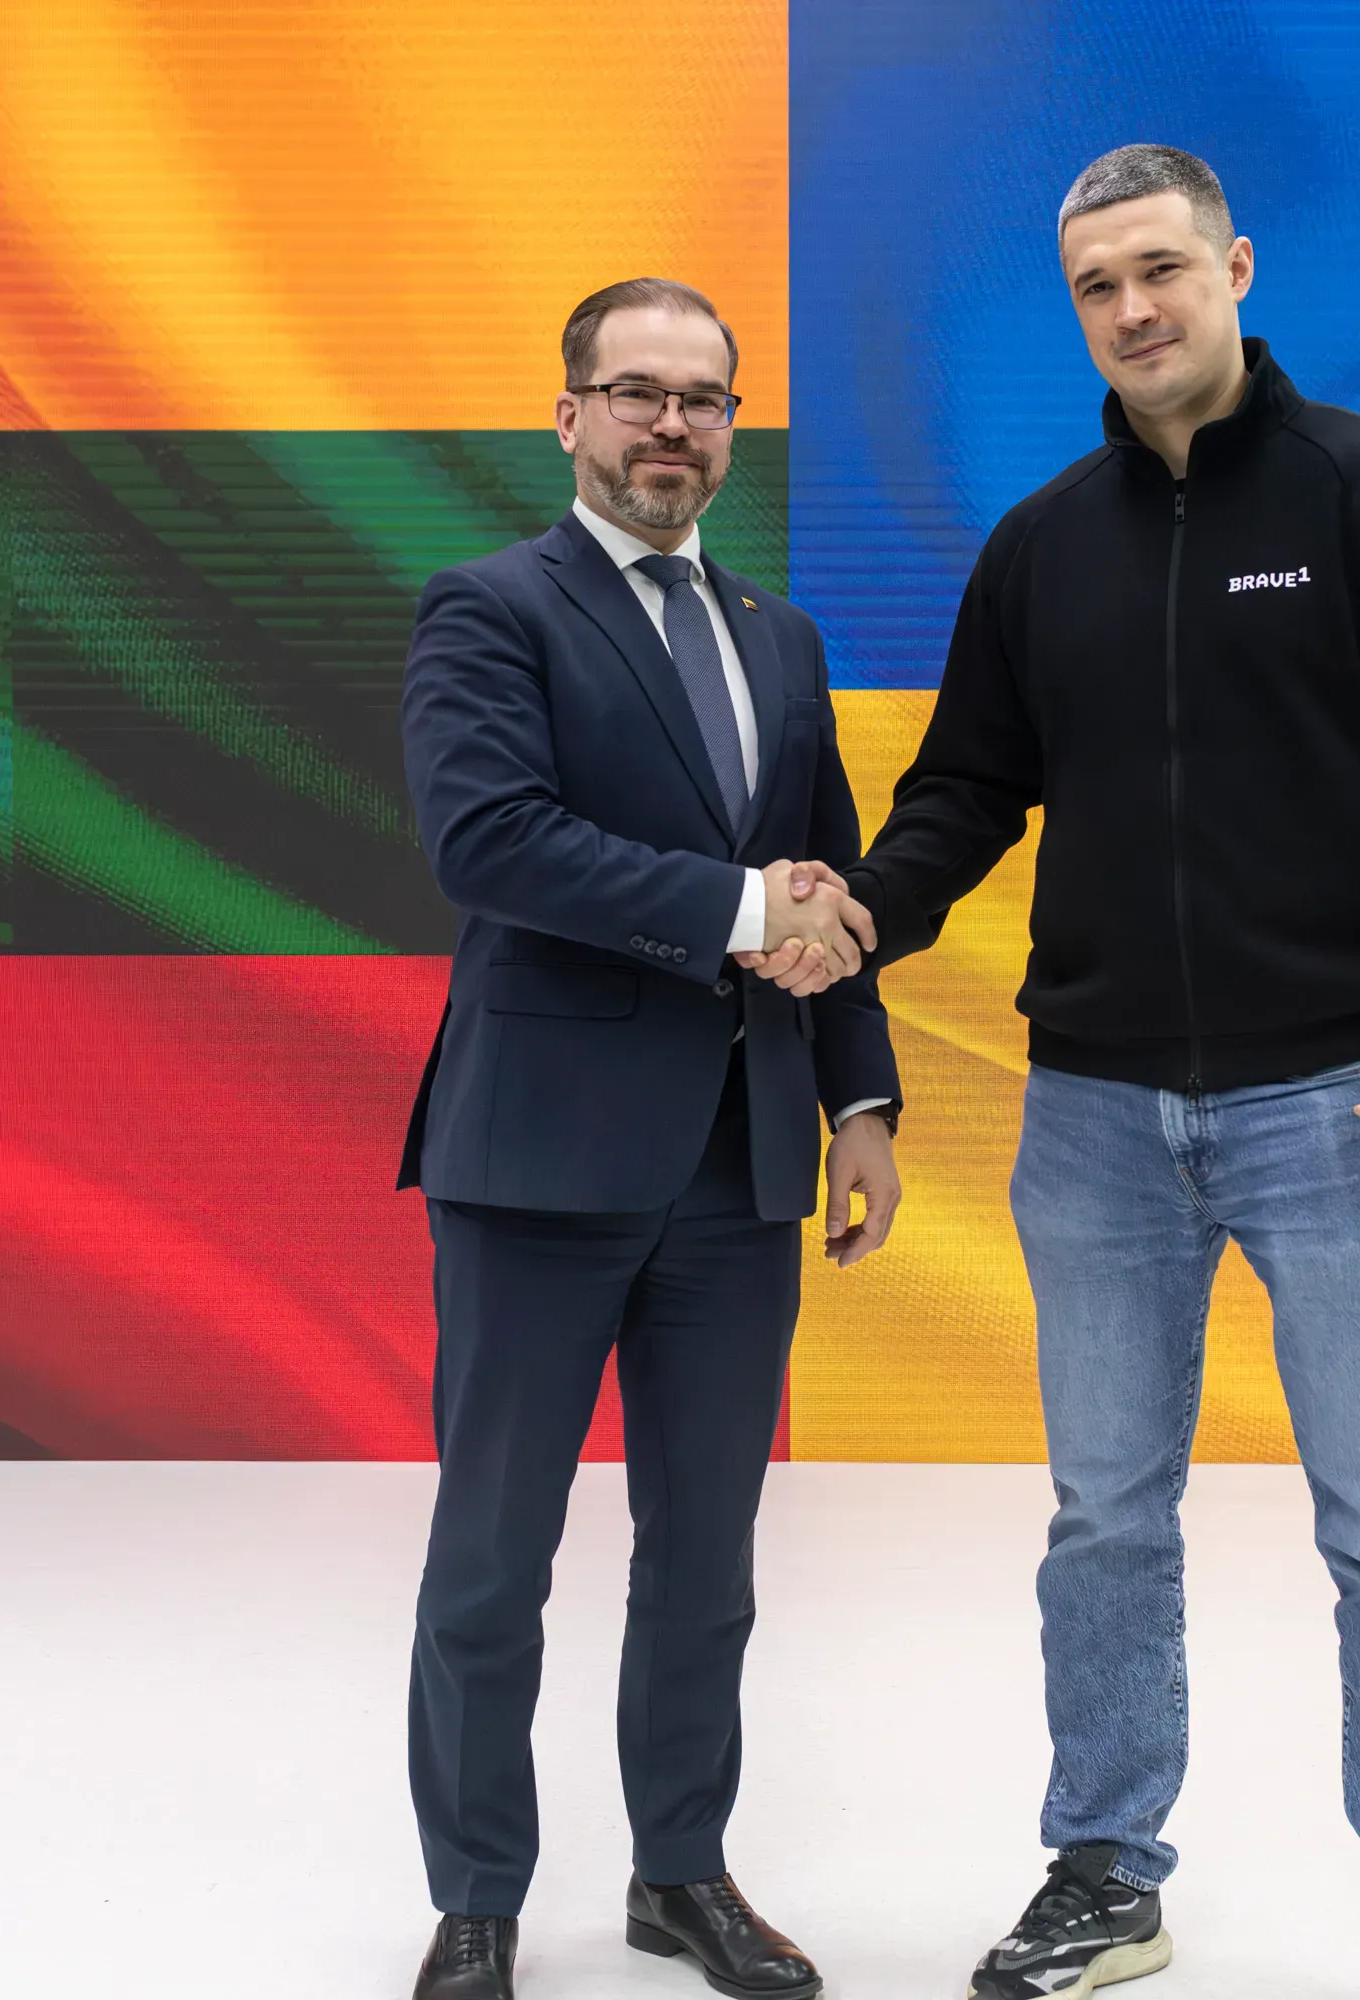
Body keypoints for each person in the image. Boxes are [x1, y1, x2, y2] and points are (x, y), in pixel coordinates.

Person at [821, 143, 1360, 2000]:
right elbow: (966, 793)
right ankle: (1106, 1872)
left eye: (1163, 269)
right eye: (1098, 286)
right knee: (1103, 1517)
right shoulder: (1044, 543)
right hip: (1093, 1115)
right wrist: (858, 922)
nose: (1135, 310)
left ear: (1235, 265)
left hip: (1346, 1106)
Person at [395, 276, 903, 2000]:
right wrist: (739, 901)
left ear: (733, 426)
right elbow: (492, 843)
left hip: (743, 1164)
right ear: (569, 416)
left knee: (709, 1560)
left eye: (703, 399)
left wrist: (866, 1100)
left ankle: (680, 1876)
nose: (670, 425)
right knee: (495, 1554)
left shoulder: (781, 636)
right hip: (538, 1156)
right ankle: (477, 1900)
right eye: (635, 393)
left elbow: (825, 892)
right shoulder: (489, 608)